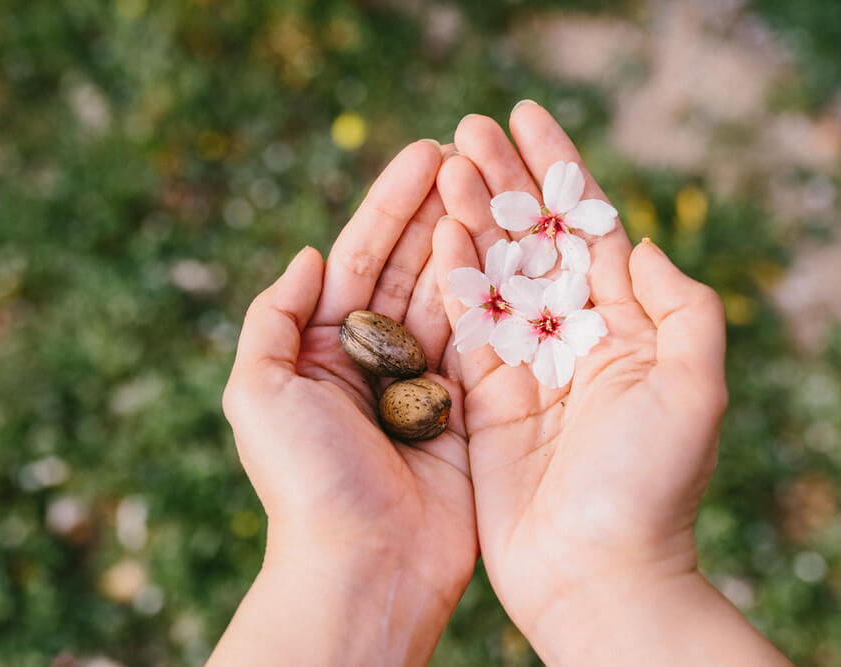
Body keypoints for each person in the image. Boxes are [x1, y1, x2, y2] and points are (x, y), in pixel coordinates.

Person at [209, 101, 793, 666]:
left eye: (551, 224)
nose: (549, 227)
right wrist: (617, 574)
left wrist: (620, 565)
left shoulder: (544, 301)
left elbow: (542, 304)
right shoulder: (500, 309)